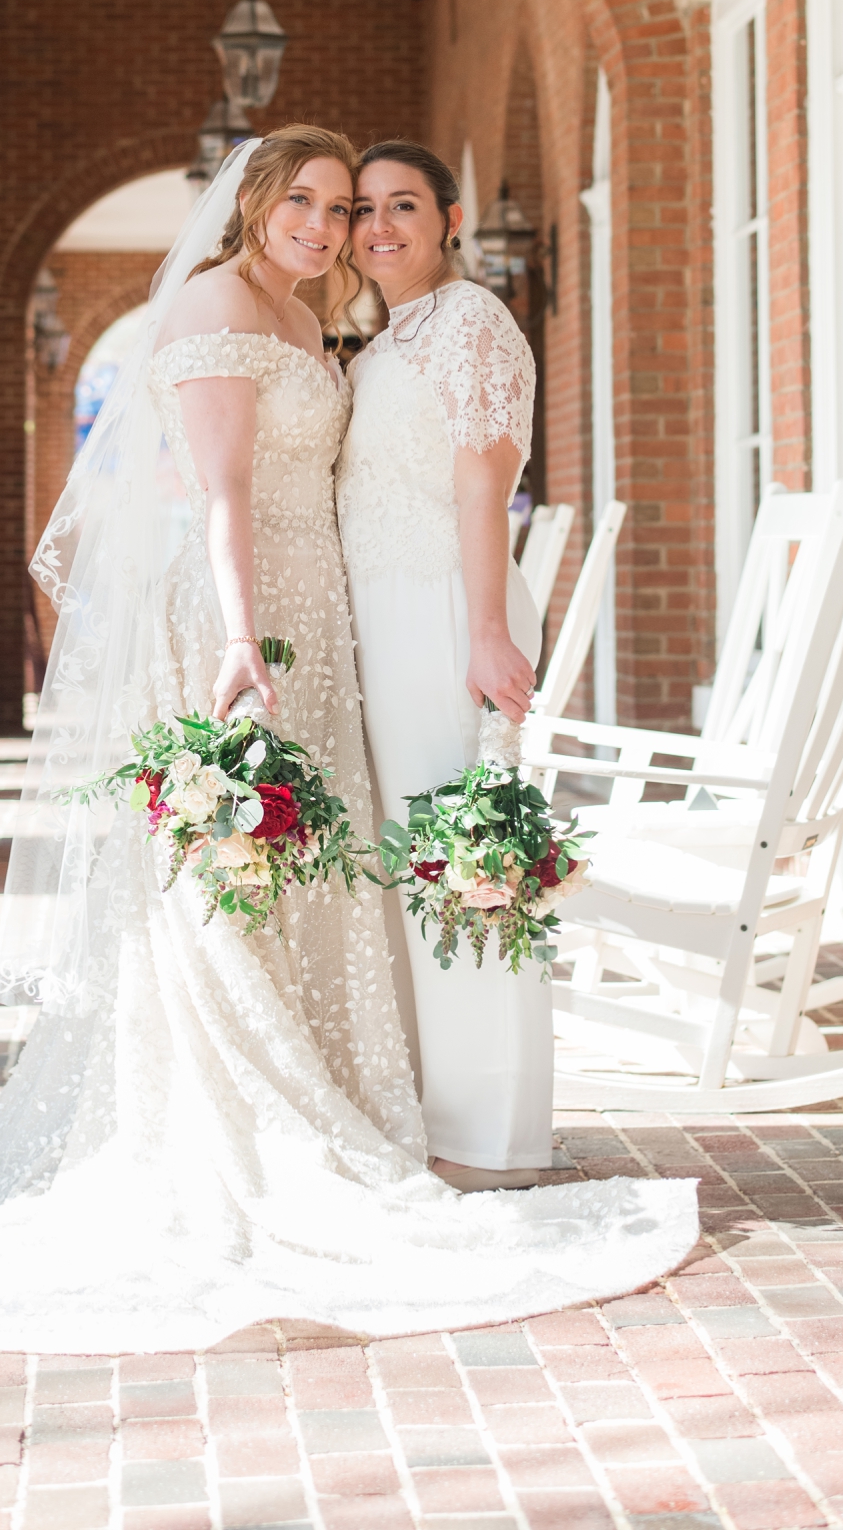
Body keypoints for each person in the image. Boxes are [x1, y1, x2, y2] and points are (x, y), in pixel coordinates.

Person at [0, 128, 694, 1353]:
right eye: (307, 202)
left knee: (325, 854)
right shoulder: (221, 303)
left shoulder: (327, 321)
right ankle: (242, 1113)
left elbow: (429, 474)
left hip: (337, 609)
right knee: (245, 869)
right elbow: (223, 496)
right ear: (247, 204)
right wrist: (245, 637)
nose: (328, 224)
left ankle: (382, 1102)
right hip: (252, 615)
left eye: (347, 204)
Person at [338, 140, 554, 1181]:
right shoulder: (382, 346)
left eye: (403, 205)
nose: (380, 225)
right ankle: (432, 1103)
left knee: (455, 862)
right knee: (406, 866)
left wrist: (484, 630)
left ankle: (490, 1123)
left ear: (452, 218)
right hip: (387, 622)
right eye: (364, 209)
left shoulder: (470, 323)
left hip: (443, 612)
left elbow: (482, 487)